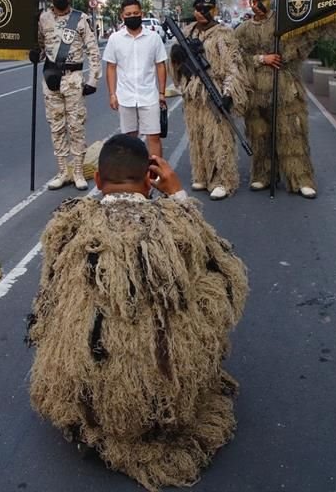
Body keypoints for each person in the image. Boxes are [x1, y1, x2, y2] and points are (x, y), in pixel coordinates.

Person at [26, 134, 248, 492]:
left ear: (97, 182)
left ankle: (93, 398)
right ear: (150, 179)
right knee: (208, 288)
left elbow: (46, 302)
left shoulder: (70, 225)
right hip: (161, 389)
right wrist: (178, 195)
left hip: (91, 388)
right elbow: (222, 267)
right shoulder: (175, 223)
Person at [234, 0, 318, 197]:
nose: (259, 4)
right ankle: (263, 174)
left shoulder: (283, 22)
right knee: (259, 134)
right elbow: (235, 57)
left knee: (291, 133)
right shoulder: (243, 30)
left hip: (285, 87)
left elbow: (300, 46)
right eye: (254, 1)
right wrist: (261, 59)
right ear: (249, 2)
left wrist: (287, 52)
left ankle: (300, 178)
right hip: (256, 90)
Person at [169, 0, 248, 200]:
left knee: (219, 138)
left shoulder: (223, 34)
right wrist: (176, 58)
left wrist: (229, 94)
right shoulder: (186, 32)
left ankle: (223, 179)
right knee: (197, 136)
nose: (202, 13)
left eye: (207, 10)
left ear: (214, 11)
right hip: (192, 96)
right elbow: (176, 71)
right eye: (198, 9)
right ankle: (202, 175)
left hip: (215, 90)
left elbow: (233, 67)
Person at [33, 0, 102, 190]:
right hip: (51, 78)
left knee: (76, 126)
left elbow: (93, 50)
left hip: (73, 79)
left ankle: (78, 172)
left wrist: (92, 80)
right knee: (56, 126)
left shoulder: (80, 18)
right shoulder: (43, 19)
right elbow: (40, 45)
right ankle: (63, 171)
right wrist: (35, 53)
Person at [102, 0, 168, 158]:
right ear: (122, 16)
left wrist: (161, 93)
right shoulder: (115, 39)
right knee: (129, 138)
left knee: (153, 136)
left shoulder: (153, 38)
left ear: (142, 14)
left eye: (136, 13)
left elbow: (161, 65)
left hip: (149, 96)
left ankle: (156, 177)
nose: (132, 16)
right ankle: (133, 175)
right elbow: (111, 67)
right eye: (129, 14)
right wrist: (112, 94)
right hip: (125, 96)